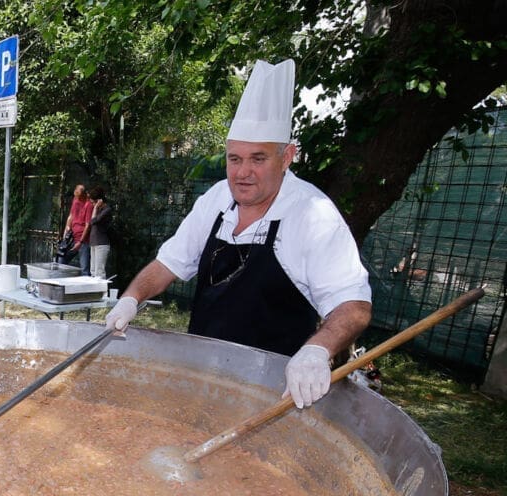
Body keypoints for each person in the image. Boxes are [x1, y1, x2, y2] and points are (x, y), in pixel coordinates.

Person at [103, 59, 371, 409]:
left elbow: (354, 306)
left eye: (258, 159)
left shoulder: (312, 214)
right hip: (201, 375)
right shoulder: (216, 199)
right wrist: (131, 298)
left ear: (286, 156)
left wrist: (318, 350)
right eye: (234, 159)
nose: (243, 172)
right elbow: (169, 263)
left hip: (274, 392)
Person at [62, 184, 93, 275]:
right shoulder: (75, 200)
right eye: (76, 196)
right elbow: (71, 216)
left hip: (83, 241)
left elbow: (88, 225)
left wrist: (80, 242)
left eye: (79, 196)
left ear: (84, 195)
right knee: (61, 260)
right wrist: (66, 232)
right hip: (72, 237)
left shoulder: (89, 205)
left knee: (84, 268)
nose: (77, 198)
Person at [86, 186, 115, 282]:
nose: (93, 204)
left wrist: (95, 208)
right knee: (93, 271)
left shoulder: (107, 210)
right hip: (94, 242)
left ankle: (103, 294)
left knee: (99, 272)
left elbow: (93, 221)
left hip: (102, 243)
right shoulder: (98, 210)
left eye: (94, 202)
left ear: (100, 200)